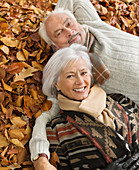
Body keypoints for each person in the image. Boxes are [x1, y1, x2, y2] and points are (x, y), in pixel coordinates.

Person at [29, 0, 139, 166]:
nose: (69, 32)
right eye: (59, 33)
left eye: (69, 24)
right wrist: (40, 157)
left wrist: (54, 18)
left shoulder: (93, 25)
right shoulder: (77, 70)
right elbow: (46, 115)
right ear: (55, 47)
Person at [33, 44, 139, 170]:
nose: (80, 81)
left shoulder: (120, 100)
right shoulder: (56, 130)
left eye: (84, 73)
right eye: (70, 76)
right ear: (56, 84)